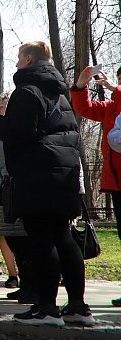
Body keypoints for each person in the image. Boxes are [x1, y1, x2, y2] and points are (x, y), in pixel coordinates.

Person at [0, 41, 93, 327]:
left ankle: (46, 308)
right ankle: (78, 307)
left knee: (41, 242)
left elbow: (19, 135)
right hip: (63, 174)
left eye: (19, 57)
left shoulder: (27, 91)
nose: (16, 62)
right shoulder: (60, 92)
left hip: (37, 176)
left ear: (29, 58)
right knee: (63, 238)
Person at [70, 65, 121, 307]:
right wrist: (81, 85)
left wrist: (115, 88)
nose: (117, 85)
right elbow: (84, 108)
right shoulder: (112, 108)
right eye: (119, 79)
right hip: (116, 182)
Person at [0, 93, 36, 301]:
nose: (3, 110)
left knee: (23, 242)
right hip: (2, 194)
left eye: (7, 106)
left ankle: (32, 285)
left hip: (17, 191)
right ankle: (25, 283)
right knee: (13, 240)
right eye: (1, 107)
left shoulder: (17, 130)